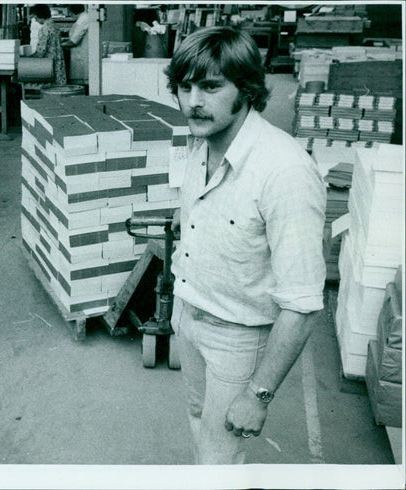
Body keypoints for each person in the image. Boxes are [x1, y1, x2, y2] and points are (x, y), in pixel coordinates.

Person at [164, 26, 326, 464]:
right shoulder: (203, 143)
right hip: (189, 316)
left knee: (219, 460)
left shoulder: (285, 171)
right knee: (200, 426)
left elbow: (303, 303)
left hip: (235, 338)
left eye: (211, 86)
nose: (194, 101)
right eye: (185, 87)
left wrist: (258, 394)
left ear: (247, 89)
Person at [29, 4, 66, 86]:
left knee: (49, 90)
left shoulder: (44, 29)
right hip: (58, 61)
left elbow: (41, 51)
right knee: (59, 88)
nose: (36, 20)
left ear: (39, 16)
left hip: (48, 64)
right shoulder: (54, 26)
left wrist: (30, 58)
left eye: (35, 18)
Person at [61, 4, 96, 84]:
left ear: (71, 12)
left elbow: (73, 41)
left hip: (81, 56)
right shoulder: (85, 18)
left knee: (82, 83)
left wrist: (58, 45)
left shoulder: (83, 20)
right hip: (81, 54)